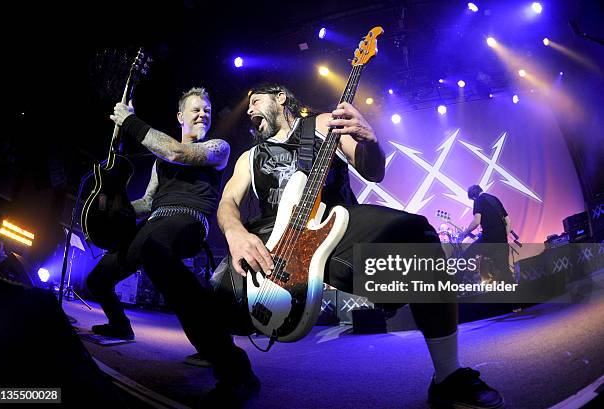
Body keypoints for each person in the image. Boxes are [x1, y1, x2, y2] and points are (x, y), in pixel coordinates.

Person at [215, 83, 505, 409]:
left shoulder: (323, 124)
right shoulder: (248, 157)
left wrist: (370, 141)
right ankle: (233, 374)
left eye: (256, 101)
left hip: (334, 227)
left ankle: (448, 377)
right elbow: (227, 201)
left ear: (281, 97)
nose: (250, 110)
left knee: (417, 235)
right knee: (215, 295)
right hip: (273, 244)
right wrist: (235, 233)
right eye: (248, 106)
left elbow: (373, 171)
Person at [86, 87, 259, 405]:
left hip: (188, 221)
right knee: (97, 279)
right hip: (155, 225)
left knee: (154, 251)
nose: (203, 114)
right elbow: (147, 203)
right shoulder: (160, 160)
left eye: (207, 110)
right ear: (180, 116)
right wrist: (110, 208)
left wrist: (131, 122)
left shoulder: (217, 148)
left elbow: (176, 153)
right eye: (195, 109)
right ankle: (120, 325)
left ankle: (236, 371)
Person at [461, 185, 514, 283]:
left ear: (473, 196)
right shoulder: (494, 199)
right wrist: (503, 235)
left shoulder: (478, 200)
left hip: (488, 239)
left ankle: (454, 288)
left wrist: (465, 232)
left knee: (464, 257)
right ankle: (516, 293)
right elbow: (507, 220)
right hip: (501, 239)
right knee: (504, 269)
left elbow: (476, 222)